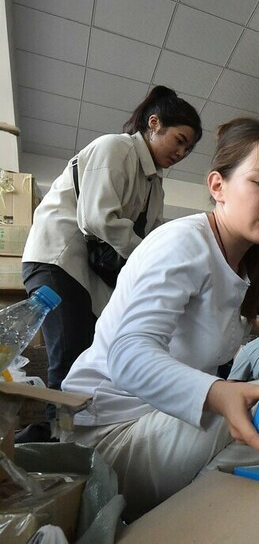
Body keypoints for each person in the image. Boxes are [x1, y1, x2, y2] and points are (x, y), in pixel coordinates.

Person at [60, 118, 259, 521]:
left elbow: (203, 323)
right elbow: (127, 355)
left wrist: (257, 326)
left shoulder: (240, 263)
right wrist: (218, 393)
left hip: (158, 427)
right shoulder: (183, 242)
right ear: (218, 186)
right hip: (109, 441)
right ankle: (185, 525)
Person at [18, 85, 202, 443]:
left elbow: (153, 237)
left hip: (88, 274)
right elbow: (97, 219)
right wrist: (150, 258)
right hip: (58, 259)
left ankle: (59, 436)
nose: (181, 153)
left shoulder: (155, 186)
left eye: (188, 149)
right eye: (179, 140)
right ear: (154, 124)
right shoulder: (115, 148)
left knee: (89, 359)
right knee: (69, 356)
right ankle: (57, 442)